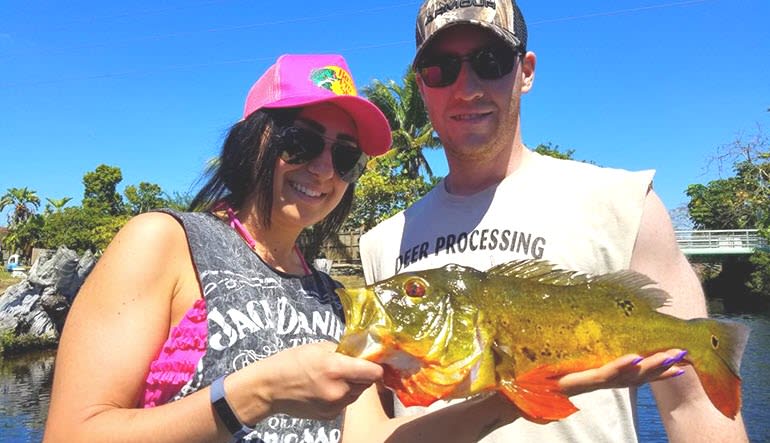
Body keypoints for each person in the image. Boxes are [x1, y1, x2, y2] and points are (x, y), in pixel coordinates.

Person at [352, 1, 750, 442]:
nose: (466, 87)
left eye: (490, 61)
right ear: (422, 85)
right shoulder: (381, 244)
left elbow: (693, 405)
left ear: (525, 71)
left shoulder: (624, 202)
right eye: (440, 68)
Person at [43, 54, 390, 443]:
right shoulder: (165, 242)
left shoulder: (335, 299)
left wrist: (474, 398)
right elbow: (71, 434)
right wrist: (258, 393)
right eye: (301, 142)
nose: (325, 169)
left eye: (345, 156)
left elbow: (373, 436)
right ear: (253, 141)